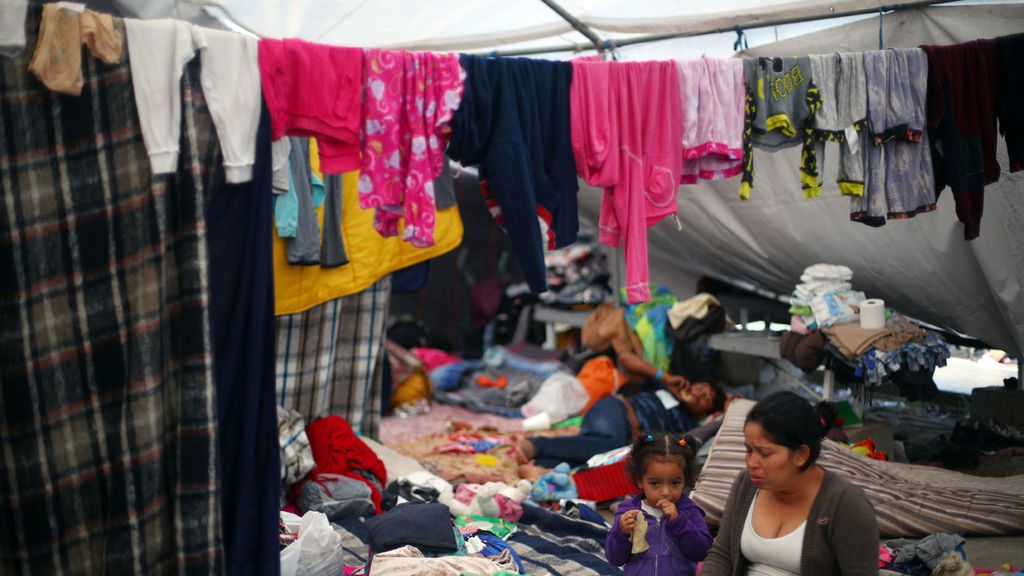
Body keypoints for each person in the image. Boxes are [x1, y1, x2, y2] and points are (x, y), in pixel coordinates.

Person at [702, 391, 878, 576]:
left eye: (764, 453)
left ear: (801, 455)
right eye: (748, 450)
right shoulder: (746, 484)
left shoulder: (845, 504)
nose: (751, 462)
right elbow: (722, 555)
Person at [515, 352, 726, 472]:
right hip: (614, 410)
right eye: (701, 388)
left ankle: (542, 465)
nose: (700, 394)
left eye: (706, 399)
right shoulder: (663, 387)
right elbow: (625, 358)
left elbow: (720, 421)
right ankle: (537, 445)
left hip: (625, 437)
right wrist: (664, 377)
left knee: (606, 460)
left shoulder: (690, 424)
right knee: (610, 444)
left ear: (705, 413)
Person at [605, 432, 713, 575]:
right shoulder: (627, 511)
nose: (666, 492)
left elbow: (703, 552)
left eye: (675, 483)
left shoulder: (689, 510)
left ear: (685, 479)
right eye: (655, 483)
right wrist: (621, 532)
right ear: (639, 480)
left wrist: (679, 521)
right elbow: (614, 559)